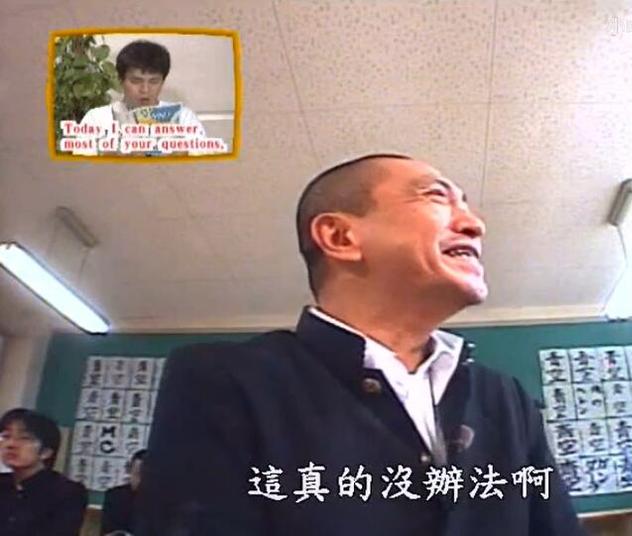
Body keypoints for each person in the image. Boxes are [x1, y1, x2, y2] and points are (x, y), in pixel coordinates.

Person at [137, 154, 586, 535]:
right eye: (436, 197)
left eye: (465, 205)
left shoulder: (505, 398)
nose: (474, 224)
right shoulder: (223, 380)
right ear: (340, 237)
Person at [76, 39, 206, 155]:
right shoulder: (97, 119)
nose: (145, 90)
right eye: (136, 81)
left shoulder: (184, 118)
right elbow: (81, 168)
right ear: (120, 80)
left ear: (163, 82)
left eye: (154, 81)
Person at [0, 408, 89, 535]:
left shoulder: (67, 492)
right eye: (6, 436)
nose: (11, 444)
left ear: (46, 452)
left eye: (24, 438)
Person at [100, 449, 147, 536]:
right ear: (130, 471)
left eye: (147, 476)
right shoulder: (115, 497)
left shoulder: (165, 501)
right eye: (138, 474)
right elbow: (110, 532)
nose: (141, 481)